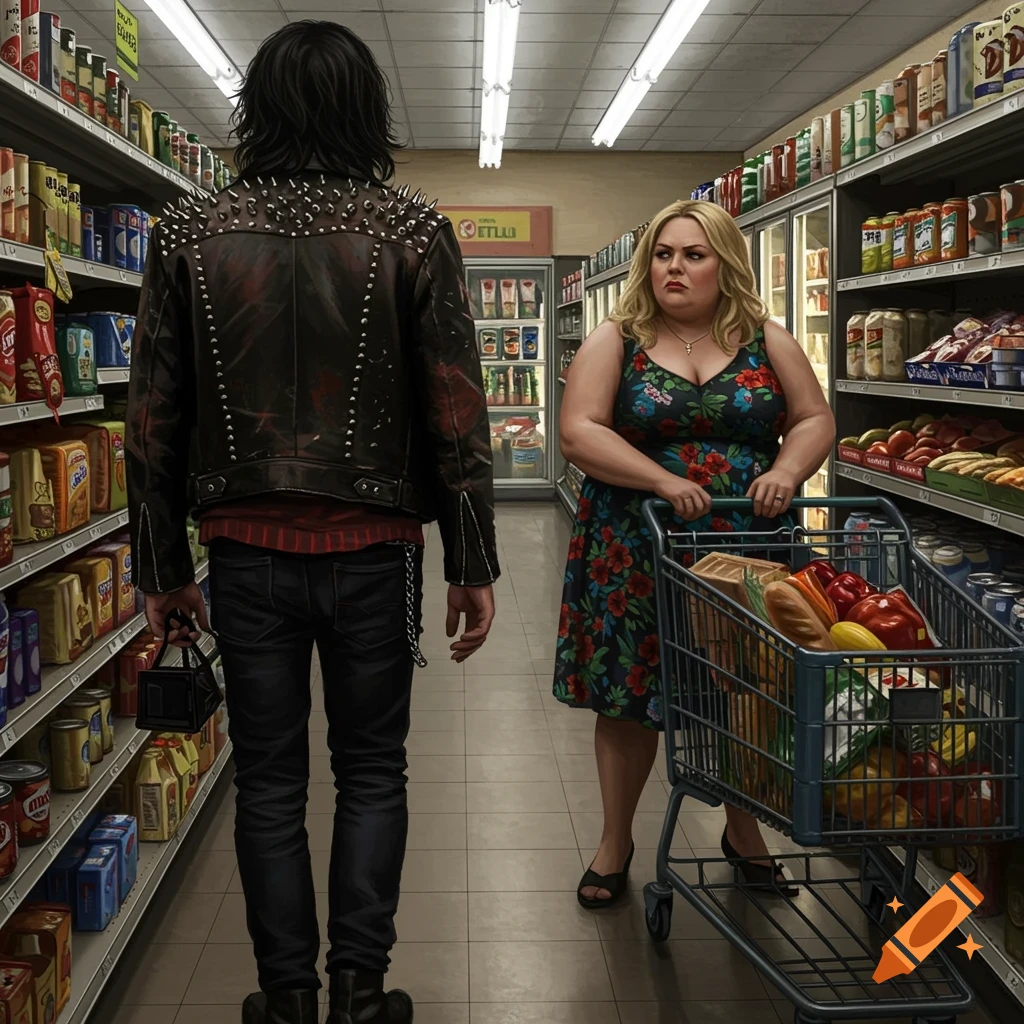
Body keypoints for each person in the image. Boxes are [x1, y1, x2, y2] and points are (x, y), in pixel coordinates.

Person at [124, 20, 499, 1024]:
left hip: (243, 554)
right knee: (373, 768)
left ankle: (285, 999)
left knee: (268, 779)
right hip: (379, 552)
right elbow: (455, 406)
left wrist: (161, 564)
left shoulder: (187, 230)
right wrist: (471, 559)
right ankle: (360, 995)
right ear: (366, 111)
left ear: (257, 109)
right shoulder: (411, 228)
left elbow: (152, 417)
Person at [553, 198, 834, 908]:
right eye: (663, 254)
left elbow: (814, 417)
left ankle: (745, 833)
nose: (673, 267)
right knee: (628, 694)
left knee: (750, 687)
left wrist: (786, 470)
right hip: (636, 544)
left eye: (692, 254)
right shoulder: (617, 339)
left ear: (724, 264)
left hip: (748, 545)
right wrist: (660, 479)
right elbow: (579, 431)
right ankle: (615, 843)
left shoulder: (765, 338)